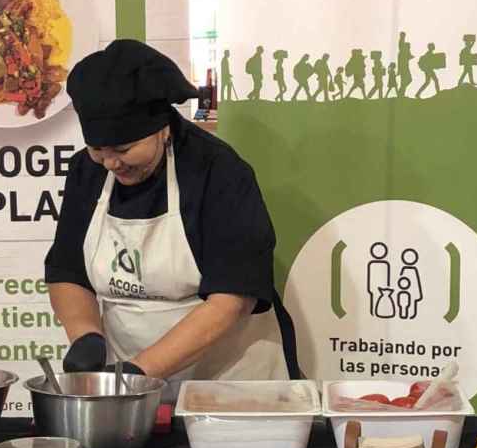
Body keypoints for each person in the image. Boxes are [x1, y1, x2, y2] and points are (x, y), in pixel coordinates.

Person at [45, 40, 300, 402]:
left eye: (122, 150)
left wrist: (138, 373)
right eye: (98, 150)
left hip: (229, 381)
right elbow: (68, 271)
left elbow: (232, 300)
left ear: (161, 128)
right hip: (130, 385)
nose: (111, 164)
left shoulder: (217, 171)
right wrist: (86, 336)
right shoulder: (87, 172)